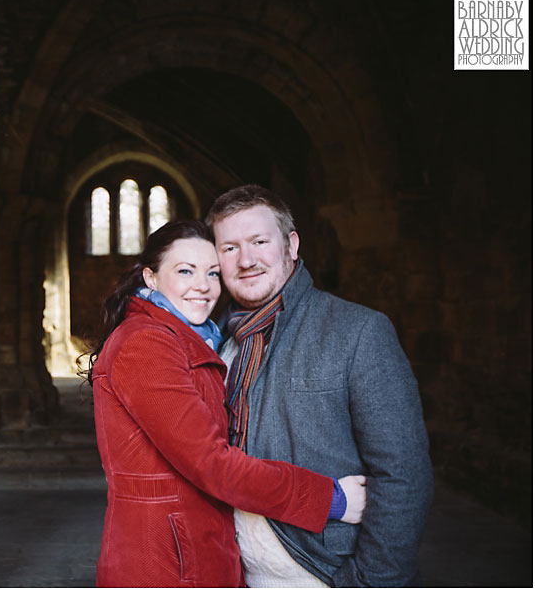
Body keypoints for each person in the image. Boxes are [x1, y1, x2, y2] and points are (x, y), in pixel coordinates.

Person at [87, 219, 367, 588]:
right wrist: (330, 499)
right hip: (162, 560)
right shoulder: (146, 344)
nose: (203, 286)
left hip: (195, 545)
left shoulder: (190, 337)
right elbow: (211, 463)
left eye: (213, 273)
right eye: (185, 271)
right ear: (151, 278)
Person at [206, 185, 433, 587]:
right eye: (229, 248)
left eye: (260, 241)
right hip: (234, 573)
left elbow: (402, 474)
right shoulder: (216, 345)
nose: (246, 260)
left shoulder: (358, 331)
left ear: (291, 245)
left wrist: (368, 582)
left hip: (324, 572)